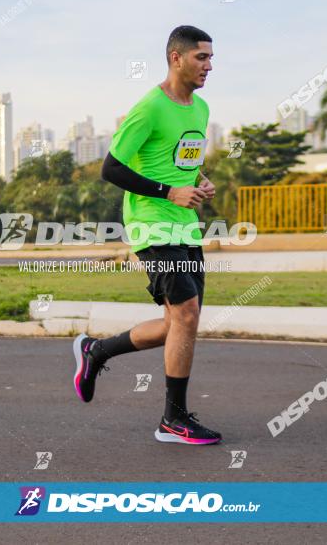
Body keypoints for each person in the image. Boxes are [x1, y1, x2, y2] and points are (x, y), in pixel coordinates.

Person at [71, 24, 221, 445]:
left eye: (210, 58)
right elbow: (111, 168)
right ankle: (173, 420)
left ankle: (95, 351)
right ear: (177, 57)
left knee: (178, 322)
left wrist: (200, 182)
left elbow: (182, 163)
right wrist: (169, 192)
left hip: (185, 227)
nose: (209, 65)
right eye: (201, 57)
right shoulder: (150, 107)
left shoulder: (201, 109)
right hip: (151, 226)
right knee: (188, 314)